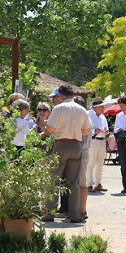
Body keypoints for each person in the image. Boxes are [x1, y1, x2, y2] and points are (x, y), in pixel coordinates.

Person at [44, 85, 91, 223]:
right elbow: (86, 131)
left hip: (60, 143)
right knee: (74, 182)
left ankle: (49, 213)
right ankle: (75, 214)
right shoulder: (82, 109)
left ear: (62, 95)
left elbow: (50, 129)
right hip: (76, 144)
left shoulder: (59, 108)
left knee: (54, 179)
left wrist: (50, 130)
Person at [86, 98, 109, 192]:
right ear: (95, 107)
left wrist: (106, 132)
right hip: (92, 140)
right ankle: (89, 185)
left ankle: (98, 184)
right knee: (90, 163)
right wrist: (93, 131)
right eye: (101, 106)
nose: (103, 108)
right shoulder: (87, 114)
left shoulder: (103, 117)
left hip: (102, 140)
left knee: (100, 163)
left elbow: (106, 128)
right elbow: (82, 127)